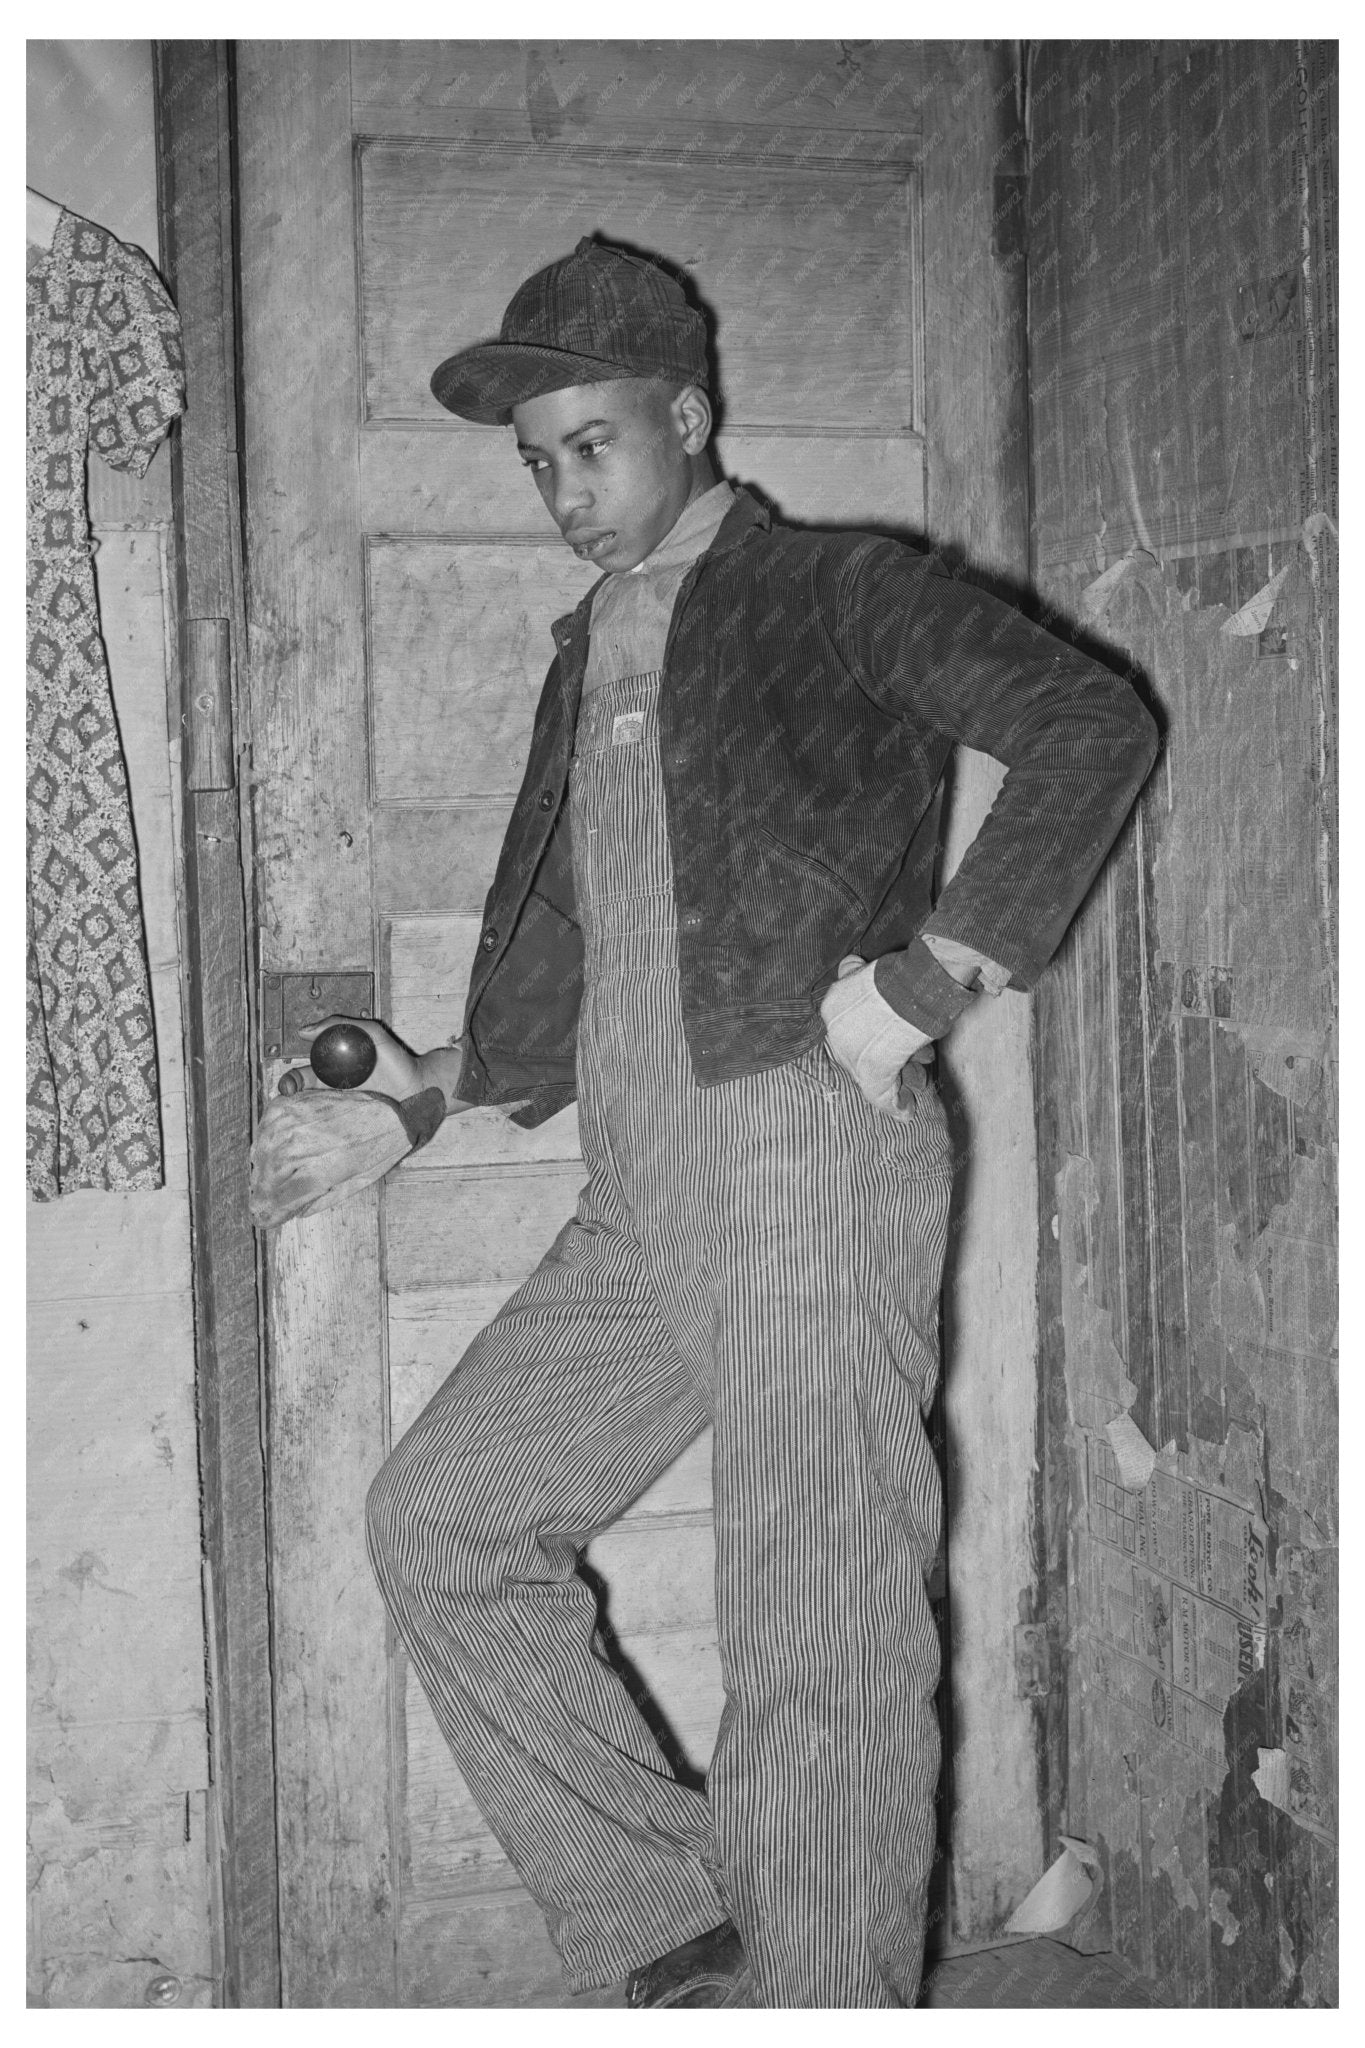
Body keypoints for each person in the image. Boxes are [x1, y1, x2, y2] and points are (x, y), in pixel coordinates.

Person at [345, 236, 1157, 2008]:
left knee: (817, 1631)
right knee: (444, 1520)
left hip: (798, 1154)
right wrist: (433, 1090)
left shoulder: (828, 590)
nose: (567, 489)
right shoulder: (592, 642)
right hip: (639, 1181)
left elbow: (1085, 723)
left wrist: (930, 978)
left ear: (689, 417)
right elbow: (581, 921)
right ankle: (685, 1934)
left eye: (598, 443)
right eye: (540, 458)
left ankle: (829, 2009)